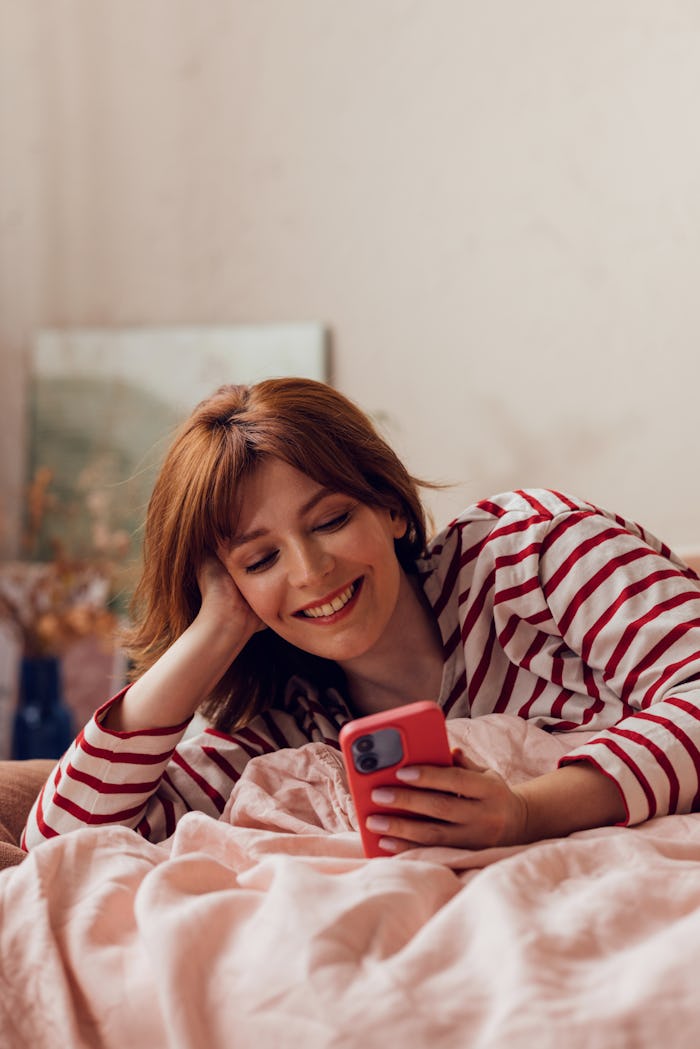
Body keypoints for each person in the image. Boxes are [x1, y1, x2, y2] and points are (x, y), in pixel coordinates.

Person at [22, 378, 700, 854]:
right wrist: (216, 628)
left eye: (332, 520)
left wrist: (526, 811)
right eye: (261, 560)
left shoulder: (531, 552)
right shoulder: (280, 728)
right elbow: (59, 848)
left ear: (392, 507)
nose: (311, 571)